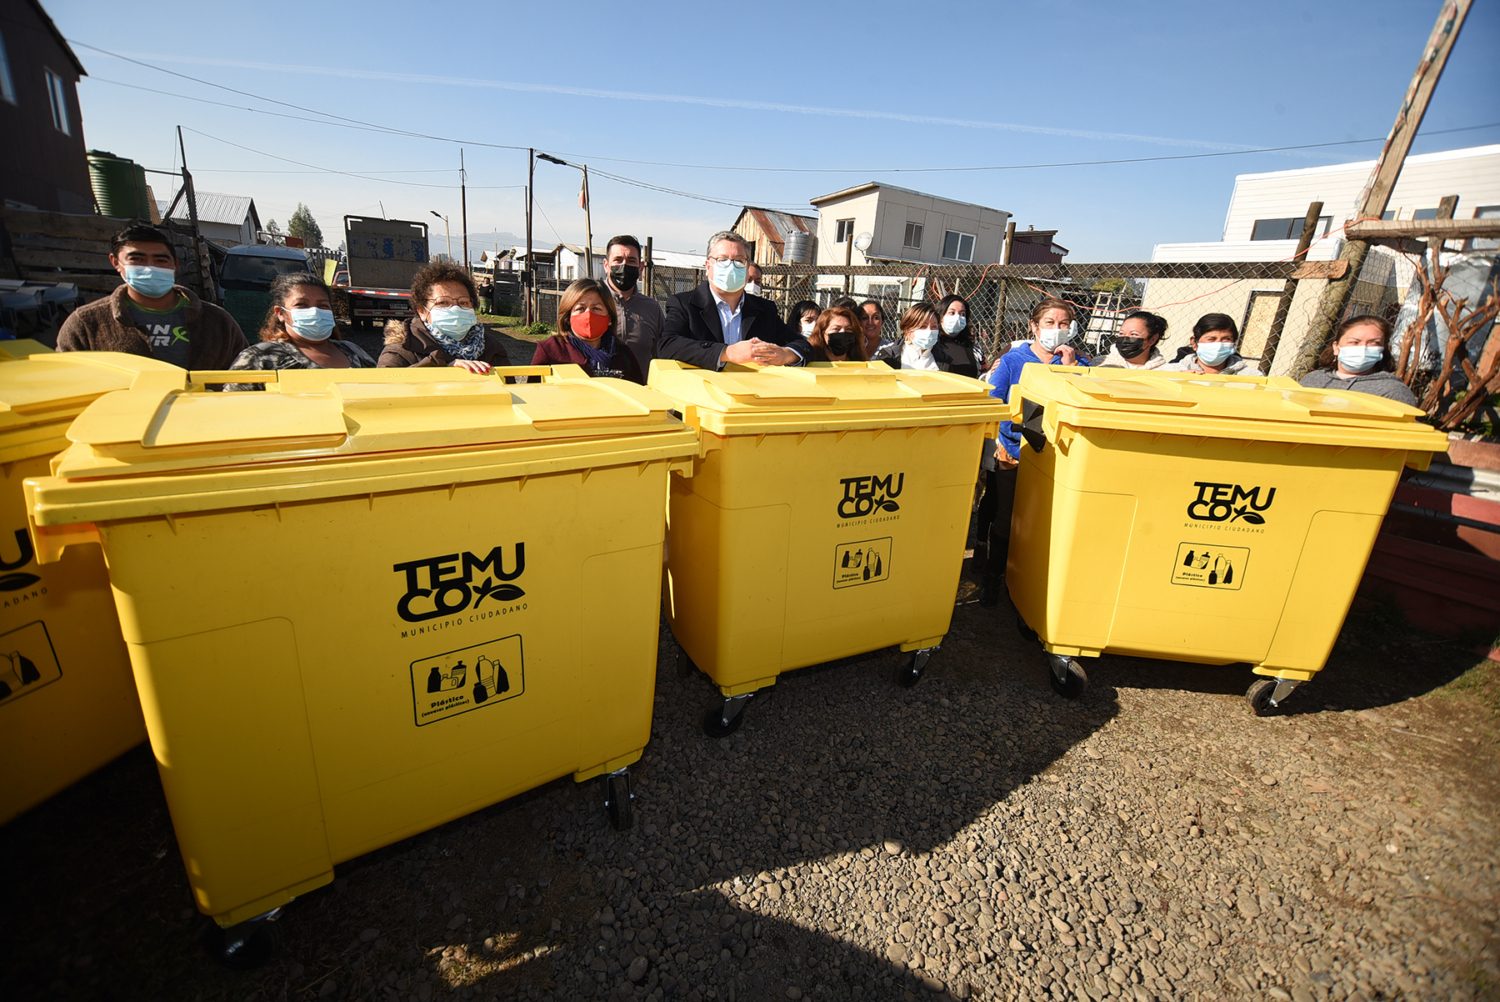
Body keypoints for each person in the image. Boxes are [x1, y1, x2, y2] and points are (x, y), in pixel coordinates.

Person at [979, 298, 1089, 603]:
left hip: (1059, 458)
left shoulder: (1079, 363)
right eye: (1050, 323)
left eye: (1064, 323)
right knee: (1006, 519)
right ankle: (993, 577)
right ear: (1034, 327)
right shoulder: (1014, 361)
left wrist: (1070, 370)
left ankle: (1033, 578)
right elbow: (996, 401)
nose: (1057, 329)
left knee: (1046, 522)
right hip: (1015, 454)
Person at [56, 222, 247, 367]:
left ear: (175, 264)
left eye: (160, 259)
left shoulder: (218, 322)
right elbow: (68, 381)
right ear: (116, 262)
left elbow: (248, 375)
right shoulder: (86, 324)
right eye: (137, 259)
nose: (150, 268)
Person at [657, 231, 803, 369]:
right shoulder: (684, 304)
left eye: (739, 261)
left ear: (747, 269)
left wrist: (786, 355)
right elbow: (668, 345)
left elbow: (802, 345)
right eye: (722, 259)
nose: (731, 266)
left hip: (753, 391)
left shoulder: (765, 309)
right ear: (708, 267)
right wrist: (727, 353)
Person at [225, 273, 375, 389]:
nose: (314, 311)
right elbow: (232, 411)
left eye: (322, 305)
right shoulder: (260, 358)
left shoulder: (352, 351)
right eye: (302, 305)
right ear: (280, 313)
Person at [379, 260, 509, 372]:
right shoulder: (400, 352)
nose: (455, 309)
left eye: (463, 302)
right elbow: (386, 393)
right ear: (422, 311)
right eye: (443, 303)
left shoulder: (492, 348)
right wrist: (442, 370)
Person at [529, 278, 645, 383]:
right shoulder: (551, 349)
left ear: (609, 318)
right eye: (580, 308)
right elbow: (532, 395)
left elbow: (639, 395)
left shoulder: (623, 354)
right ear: (567, 317)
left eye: (596, 308)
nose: (588, 314)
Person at [1298, 314, 1417, 405]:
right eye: (1354, 342)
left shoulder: (1393, 391)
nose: (1363, 348)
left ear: (1383, 349)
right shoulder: (1312, 380)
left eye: (1373, 343)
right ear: (1336, 347)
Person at [603, 234, 664, 376]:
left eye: (631, 260)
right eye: (618, 260)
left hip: (641, 393)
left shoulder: (652, 308)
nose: (624, 265)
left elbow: (661, 354)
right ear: (606, 265)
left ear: (641, 267)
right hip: (598, 392)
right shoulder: (591, 303)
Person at [1168, 313, 1255, 375]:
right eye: (1211, 339)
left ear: (1234, 343)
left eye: (1226, 339)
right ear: (1194, 343)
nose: (1219, 345)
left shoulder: (1251, 377)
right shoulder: (1169, 372)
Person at [873, 302, 943, 370]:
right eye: (922, 326)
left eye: (934, 326)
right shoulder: (889, 356)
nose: (929, 331)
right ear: (908, 330)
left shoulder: (945, 358)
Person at [1094, 310, 1170, 369]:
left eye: (1134, 334)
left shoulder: (1165, 372)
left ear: (1152, 339)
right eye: (1121, 333)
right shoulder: (1099, 364)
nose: (1125, 339)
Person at [934, 294, 984, 377]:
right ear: (941, 316)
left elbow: (982, 371)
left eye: (962, 314)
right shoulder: (930, 342)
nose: (957, 317)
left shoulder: (972, 344)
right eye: (952, 313)